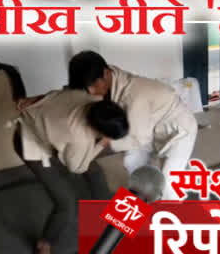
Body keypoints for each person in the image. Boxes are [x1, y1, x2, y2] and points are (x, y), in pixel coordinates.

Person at [58, 51, 198, 203]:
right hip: (148, 124)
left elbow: (140, 137)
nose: (91, 91)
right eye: (87, 87)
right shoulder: (106, 77)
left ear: (105, 74)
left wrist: (103, 141)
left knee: (168, 181)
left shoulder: (134, 95)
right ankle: (141, 200)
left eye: (93, 85)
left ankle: (174, 219)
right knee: (132, 161)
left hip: (178, 130)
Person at [14, 88, 130, 254]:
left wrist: (35, 99)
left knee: (95, 172)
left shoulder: (90, 97)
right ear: (96, 129)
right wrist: (102, 143)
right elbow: (76, 167)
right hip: (31, 143)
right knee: (65, 203)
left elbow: (55, 93)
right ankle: (44, 245)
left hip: (51, 130)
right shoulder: (79, 137)